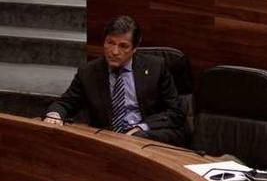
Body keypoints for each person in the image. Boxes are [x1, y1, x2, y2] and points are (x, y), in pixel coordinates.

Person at [44, 15, 185, 146]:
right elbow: (66, 103)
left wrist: (140, 128)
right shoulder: (89, 72)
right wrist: (55, 115)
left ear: (135, 48)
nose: (114, 51)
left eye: (123, 46)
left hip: (148, 138)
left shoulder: (156, 67)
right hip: (108, 141)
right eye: (110, 43)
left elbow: (175, 112)